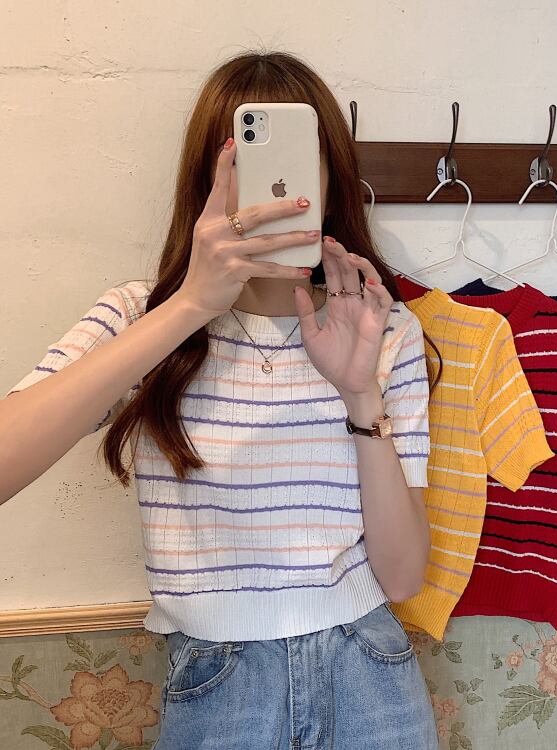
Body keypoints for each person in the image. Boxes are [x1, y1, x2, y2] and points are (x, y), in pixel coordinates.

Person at [0, 50, 441, 749]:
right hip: (219, 683)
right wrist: (189, 307)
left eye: (297, 162)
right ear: (206, 182)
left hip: (370, 672)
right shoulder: (140, 316)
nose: (274, 189)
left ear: (330, 178)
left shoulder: (381, 329)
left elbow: (403, 574)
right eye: (243, 164)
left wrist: (360, 395)